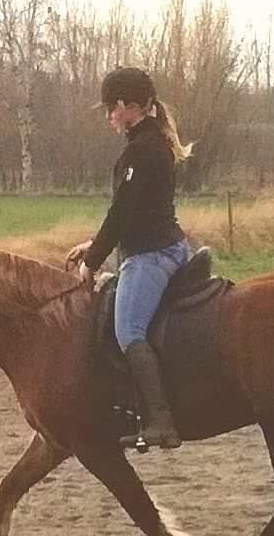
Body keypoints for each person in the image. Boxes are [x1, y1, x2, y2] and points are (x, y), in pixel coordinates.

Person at [66, 66, 194, 450]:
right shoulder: (152, 143)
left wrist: (93, 261)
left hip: (151, 256)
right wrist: (94, 245)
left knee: (129, 331)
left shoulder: (143, 150)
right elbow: (132, 211)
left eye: (111, 109)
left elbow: (122, 214)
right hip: (159, 246)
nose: (109, 117)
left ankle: (160, 421)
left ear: (126, 106)